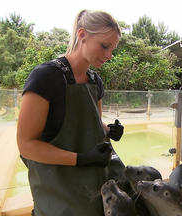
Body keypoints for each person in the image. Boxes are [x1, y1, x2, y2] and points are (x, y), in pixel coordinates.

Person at [16, 9, 124, 216]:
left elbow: (92, 124)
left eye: (112, 49)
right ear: (82, 34)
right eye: (104, 46)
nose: (109, 55)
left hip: (94, 189)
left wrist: (108, 129)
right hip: (58, 194)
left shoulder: (95, 81)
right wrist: (82, 158)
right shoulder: (45, 77)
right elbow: (26, 145)